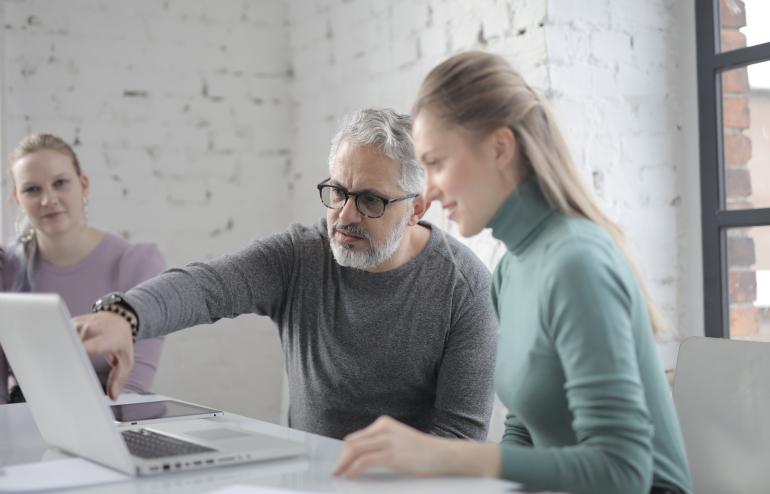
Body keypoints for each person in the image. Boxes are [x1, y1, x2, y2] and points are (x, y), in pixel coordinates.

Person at [333, 52, 693, 494]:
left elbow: (623, 472)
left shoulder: (577, 262)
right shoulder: (508, 271)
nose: (428, 190)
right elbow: (525, 432)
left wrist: (443, 455)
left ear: (500, 148)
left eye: (438, 163)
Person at [74, 108, 497, 440]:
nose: (344, 216)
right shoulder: (301, 255)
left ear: (417, 209)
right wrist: (125, 315)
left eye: (370, 200)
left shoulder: (466, 288)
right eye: (337, 192)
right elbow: (208, 287)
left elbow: (461, 437)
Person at [0, 133, 165, 404]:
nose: (47, 200)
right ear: (18, 199)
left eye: (60, 183)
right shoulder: (5, 266)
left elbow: (132, 389)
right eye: (32, 189)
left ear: (83, 185)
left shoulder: (137, 263)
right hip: (24, 420)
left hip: (113, 422)